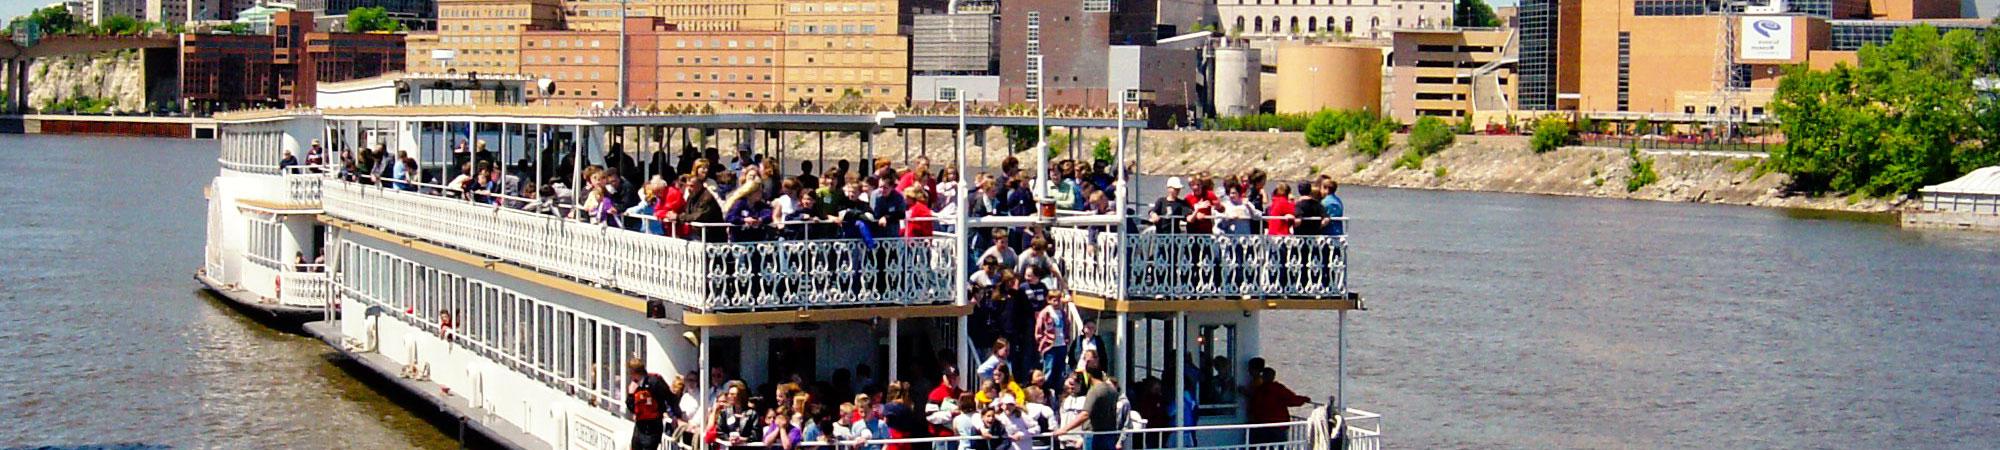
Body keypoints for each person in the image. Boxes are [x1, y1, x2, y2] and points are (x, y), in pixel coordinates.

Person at [1052, 350, 1121, 450]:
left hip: (1094, 436)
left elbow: (1085, 414)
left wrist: (1064, 429)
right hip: (1110, 435)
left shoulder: (1095, 391)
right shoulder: (1112, 390)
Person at [1246, 367, 1309, 445]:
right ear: (1273, 377)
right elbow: (1292, 400)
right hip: (1278, 425)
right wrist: (1304, 399)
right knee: (1279, 446)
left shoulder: (1258, 390)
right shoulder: (1278, 388)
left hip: (1261, 424)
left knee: (1262, 445)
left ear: (1263, 377)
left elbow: (1253, 405)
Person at [628, 359, 672, 450]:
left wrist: (673, 414)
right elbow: (632, 408)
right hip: (640, 426)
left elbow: (669, 397)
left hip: (653, 427)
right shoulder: (634, 385)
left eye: (631, 372)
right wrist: (630, 395)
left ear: (635, 372)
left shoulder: (655, 382)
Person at [1035, 291, 1071, 387]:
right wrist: (1042, 341)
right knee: (1049, 369)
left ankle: (1058, 390)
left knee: (1060, 370)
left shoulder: (1062, 313)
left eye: (1059, 300)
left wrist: (1067, 338)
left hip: (1061, 344)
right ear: (1049, 300)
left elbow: (1067, 326)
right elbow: (1039, 329)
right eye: (1054, 300)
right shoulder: (1045, 313)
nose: (1057, 303)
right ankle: (1046, 389)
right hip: (1050, 345)